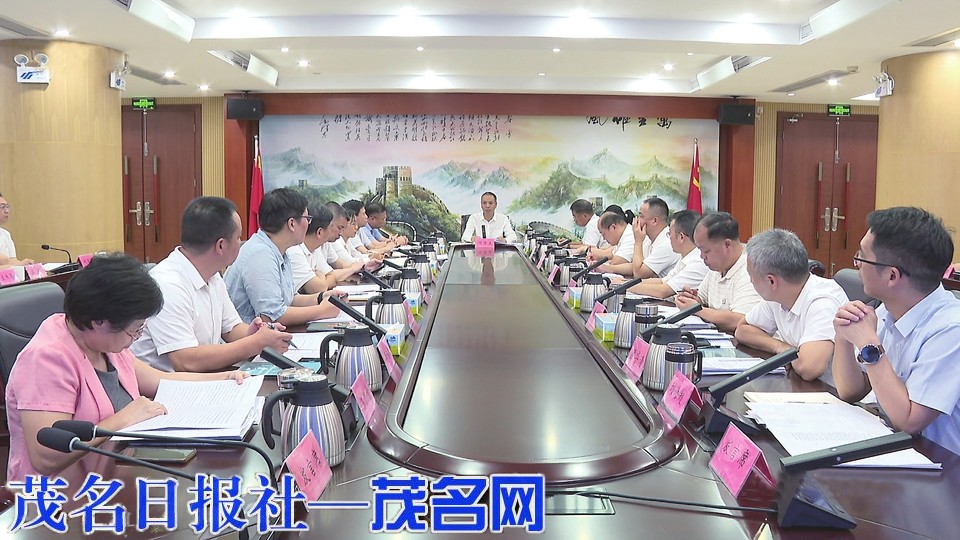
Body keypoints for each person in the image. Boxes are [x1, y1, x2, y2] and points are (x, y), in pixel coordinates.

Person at [5, 253, 248, 481]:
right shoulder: (46, 359)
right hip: (62, 496)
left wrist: (224, 378)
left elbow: (158, 379)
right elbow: (46, 457)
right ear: (99, 321)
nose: (136, 337)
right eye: (135, 330)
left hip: (115, 471)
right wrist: (124, 419)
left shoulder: (104, 343)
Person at [833, 207, 960, 455]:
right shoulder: (888, 310)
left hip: (943, 466)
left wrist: (869, 345)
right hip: (898, 449)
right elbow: (850, 391)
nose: (856, 264)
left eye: (862, 257)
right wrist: (844, 336)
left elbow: (909, 421)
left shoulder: (950, 329)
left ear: (892, 276)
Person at [131, 197, 292, 372]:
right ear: (221, 246)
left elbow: (231, 329)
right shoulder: (168, 285)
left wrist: (256, 334)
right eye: (238, 237)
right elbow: (185, 361)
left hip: (205, 378)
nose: (241, 243)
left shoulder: (213, 275)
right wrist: (254, 344)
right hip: (167, 386)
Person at [735, 228, 848, 383]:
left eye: (751, 276)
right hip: (801, 385)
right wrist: (782, 348)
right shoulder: (778, 295)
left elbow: (809, 368)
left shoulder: (823, 301)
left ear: (771, 281)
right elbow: (743, 330)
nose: (751, 281)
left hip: (833, 391)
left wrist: (787, 353)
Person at [224, 188, 342, 325]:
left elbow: (289, 300)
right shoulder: (260, 254)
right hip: (247, 336)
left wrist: (321, 298)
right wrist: (322, 311)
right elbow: (271, 316)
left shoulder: (279, 250)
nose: (309, 224)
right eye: (307, 219)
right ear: (292, 224)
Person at [675, 212, 761, 334]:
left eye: (706, 251)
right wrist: (692, 299)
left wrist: (695, 309)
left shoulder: (750, 271)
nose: (702, 256)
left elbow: (740, 320)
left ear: (727, 245)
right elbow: (702, 299)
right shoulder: (717, 268)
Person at [627, 210, 708, 298]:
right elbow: (663, 281)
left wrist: (625, 287)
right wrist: (625, 283)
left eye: (669, 234)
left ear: (681, 237)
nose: (669, 238)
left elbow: (663, 291)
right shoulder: (686, 257)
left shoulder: (698, 262)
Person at [631, 196, 680, 279]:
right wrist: (609, 268)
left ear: (654, 221)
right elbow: (635, 265)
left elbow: (638, 274)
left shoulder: (667, 243)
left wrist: (638, 242)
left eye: (641, 217)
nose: (637, 221)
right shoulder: (648, 239)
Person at [591, 211, 634, 277]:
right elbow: (613, 257)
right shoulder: (622, 237)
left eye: (603, 234)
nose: (604, 238)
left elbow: (616, 262)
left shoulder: (630, 236)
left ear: (613, 227)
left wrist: (605, 267)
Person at [0, 193, 34, 267]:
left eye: (7, 206)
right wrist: (19, 264)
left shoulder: (6, 234)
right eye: (2, 207)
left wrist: (24, 265)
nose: (7, 211)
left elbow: (13, 261)